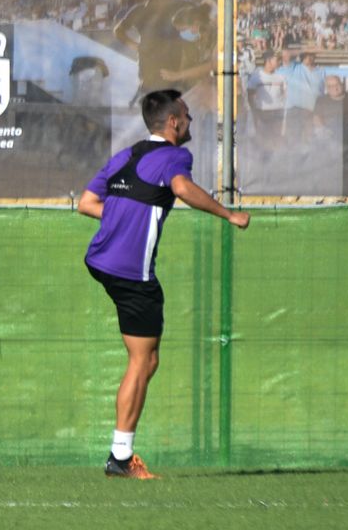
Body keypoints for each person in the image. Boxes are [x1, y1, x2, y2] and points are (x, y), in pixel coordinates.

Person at [77, 89, 249, 479]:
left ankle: (121, 454)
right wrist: (228, 214)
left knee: (147, 359)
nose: (190, 121)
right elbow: (183, 189)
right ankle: (120, 458)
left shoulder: (127, 155)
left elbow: (87, 203)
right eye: (187, 115)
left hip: (101, 260)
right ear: (173, 122)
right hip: (131, 272)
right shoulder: (175, 156)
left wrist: (124, 215)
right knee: (141, 360)